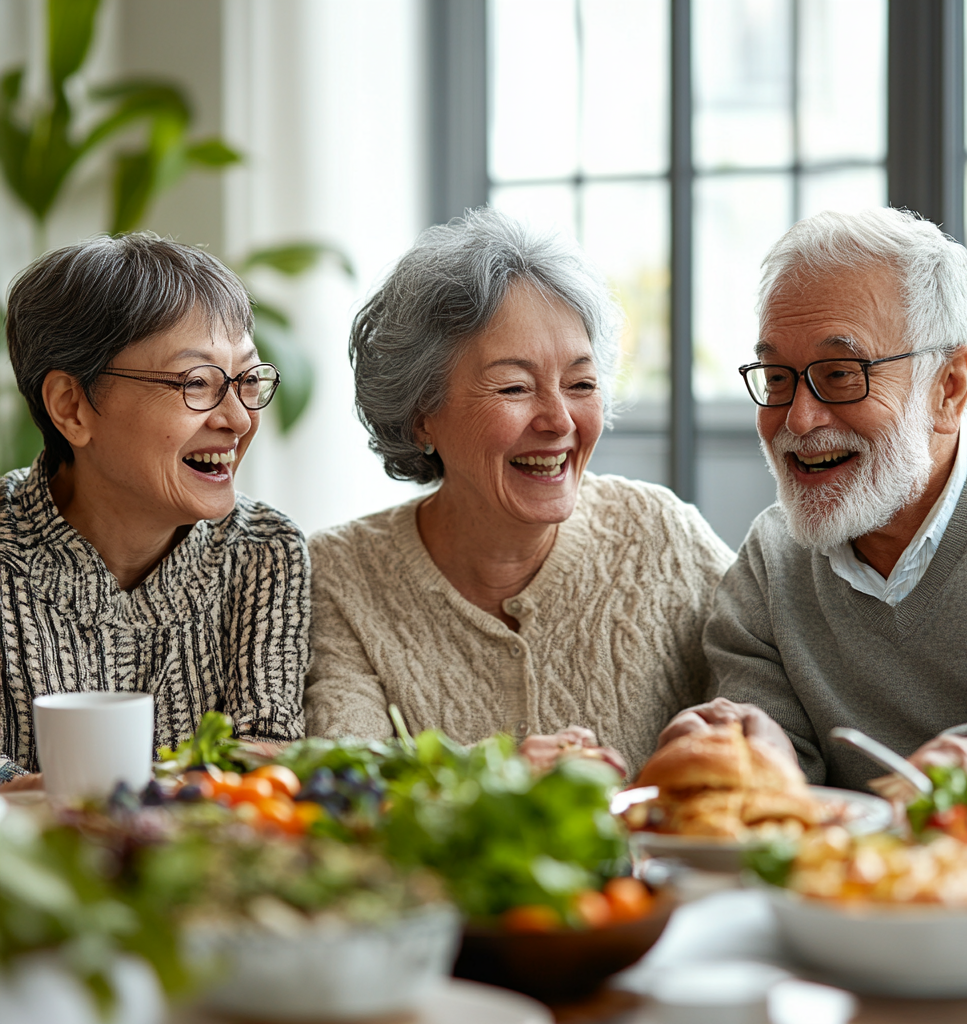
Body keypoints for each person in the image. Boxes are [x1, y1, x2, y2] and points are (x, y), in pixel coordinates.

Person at [304, 208, 733, 778]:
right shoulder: (339, 577)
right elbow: (346, 792)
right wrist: (488, 778)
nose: (559, 420)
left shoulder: (660, 535)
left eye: (581, 384)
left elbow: (767, 720)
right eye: (514, 387)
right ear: (420, 415)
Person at [660, 207, 967, 792]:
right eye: (777, 378)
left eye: (841, 374)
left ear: (948, 388)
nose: (799, 420)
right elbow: (773, 814)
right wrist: (752, 763)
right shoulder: (772, 563)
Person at [0, 234, 309, 786]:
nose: (238, 420)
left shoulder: (266, 551)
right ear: (71, 407)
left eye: (246, 380)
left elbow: (264, 758)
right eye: (197, 383)